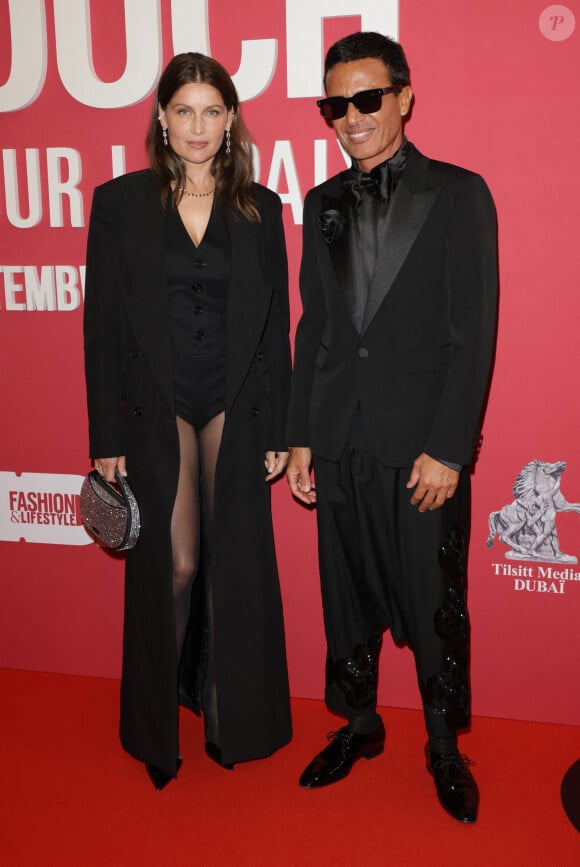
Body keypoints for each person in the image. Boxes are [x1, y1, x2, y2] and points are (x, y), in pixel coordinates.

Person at [286, 32, 497, 824]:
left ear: (404, 98)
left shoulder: (460, 193)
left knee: (434, 599)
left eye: (367, 98)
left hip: (420, 449)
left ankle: (443, 743)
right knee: (345, 596)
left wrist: (449, 445)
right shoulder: (321, 204)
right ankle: (360, 723)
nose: (352, 117)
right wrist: (304, 431)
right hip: (338, 439)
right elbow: (317, 326)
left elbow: (472, 333)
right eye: (335, 104)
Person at [84, 52, 292, 791]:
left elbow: (276, 329)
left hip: (235, 401)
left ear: (230, 118)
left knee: (235, 564)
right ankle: (155, 722)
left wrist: (282, 427)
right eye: (184, 111)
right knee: (172, 563)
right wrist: (103, 440)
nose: (198, 127)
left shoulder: (262, 207)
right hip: (159, 400)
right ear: (161, 119)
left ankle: (233, 716)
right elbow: (100, 325)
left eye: (212, 111)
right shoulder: (119, 203)